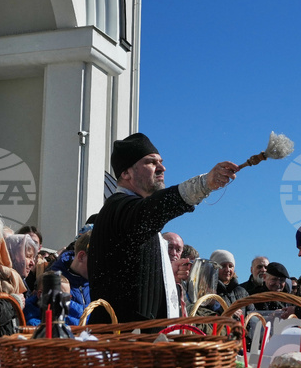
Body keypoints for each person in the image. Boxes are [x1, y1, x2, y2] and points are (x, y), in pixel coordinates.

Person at [88, 133, 237, 322]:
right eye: (151, 162)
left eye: (161, 162)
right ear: (126, 173)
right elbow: (150, 212)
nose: (162, 168)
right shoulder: (118, 207)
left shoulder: (133, 212)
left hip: (140, 334)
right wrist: (203, 184)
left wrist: (165, 275)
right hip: (122, 335)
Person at [28, 231, 91, 326]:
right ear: (81, 256)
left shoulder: (96, 282)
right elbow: (38, 314)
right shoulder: (55, 280)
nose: (102, 268)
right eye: (97, 261)